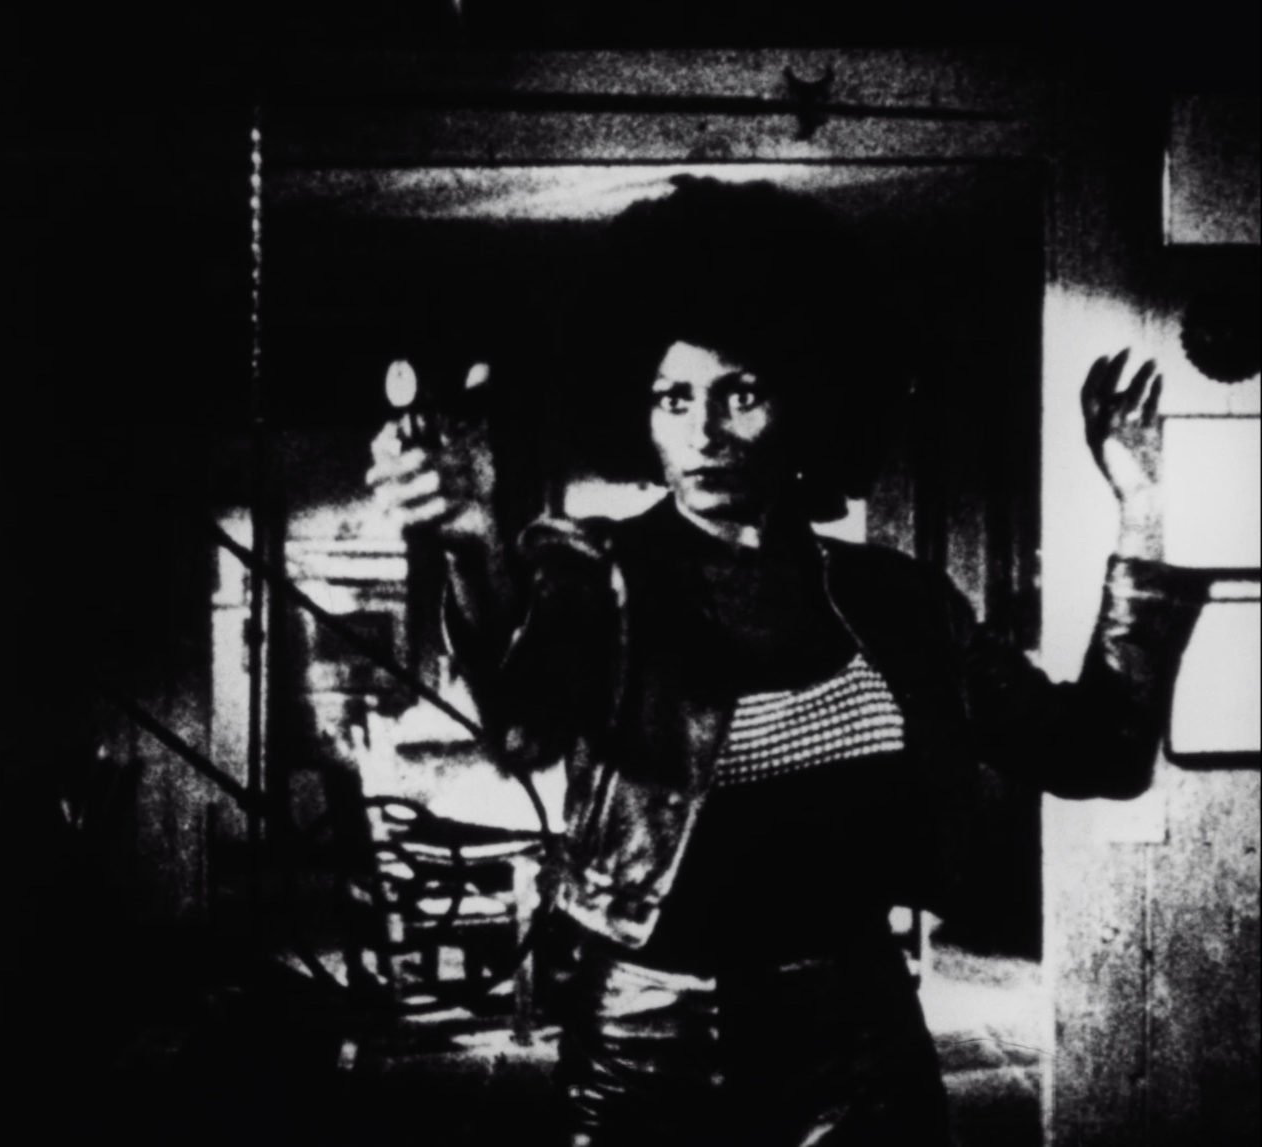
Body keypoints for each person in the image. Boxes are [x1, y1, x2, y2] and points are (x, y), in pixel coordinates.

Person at [364, 177, 1206, 1146]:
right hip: (648, 1049)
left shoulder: (900, 602)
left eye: (741, 393)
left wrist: (1141, 510)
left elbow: (1100, 750)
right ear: (638, 412)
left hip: (858, 1051)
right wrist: (473, 542)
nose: (704, 431)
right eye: (673, 397)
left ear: (807, 396)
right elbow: (524, 724)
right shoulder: (596, 575)